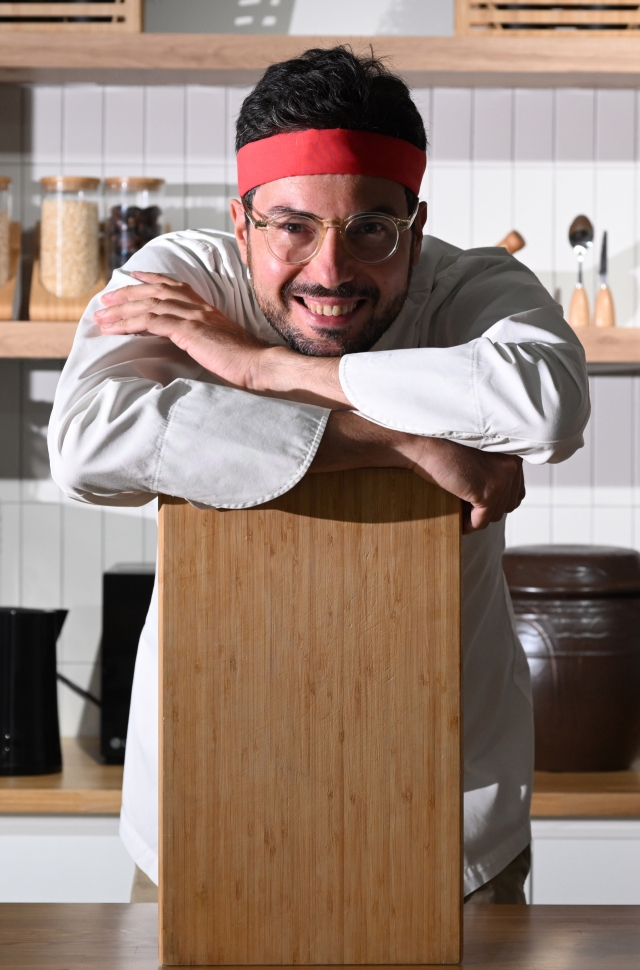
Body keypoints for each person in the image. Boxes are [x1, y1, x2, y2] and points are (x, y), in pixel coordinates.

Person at [48, 46, 589, 904]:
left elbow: (546, 405)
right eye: (292, 225)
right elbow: (87, 445)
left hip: (452, 821)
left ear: (414, 221)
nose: (331, 272)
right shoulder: (177, 280)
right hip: (200, 812)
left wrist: (267, 370)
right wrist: (397, 440)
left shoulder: (473, 283)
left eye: (371, 229)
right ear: (241, 221)